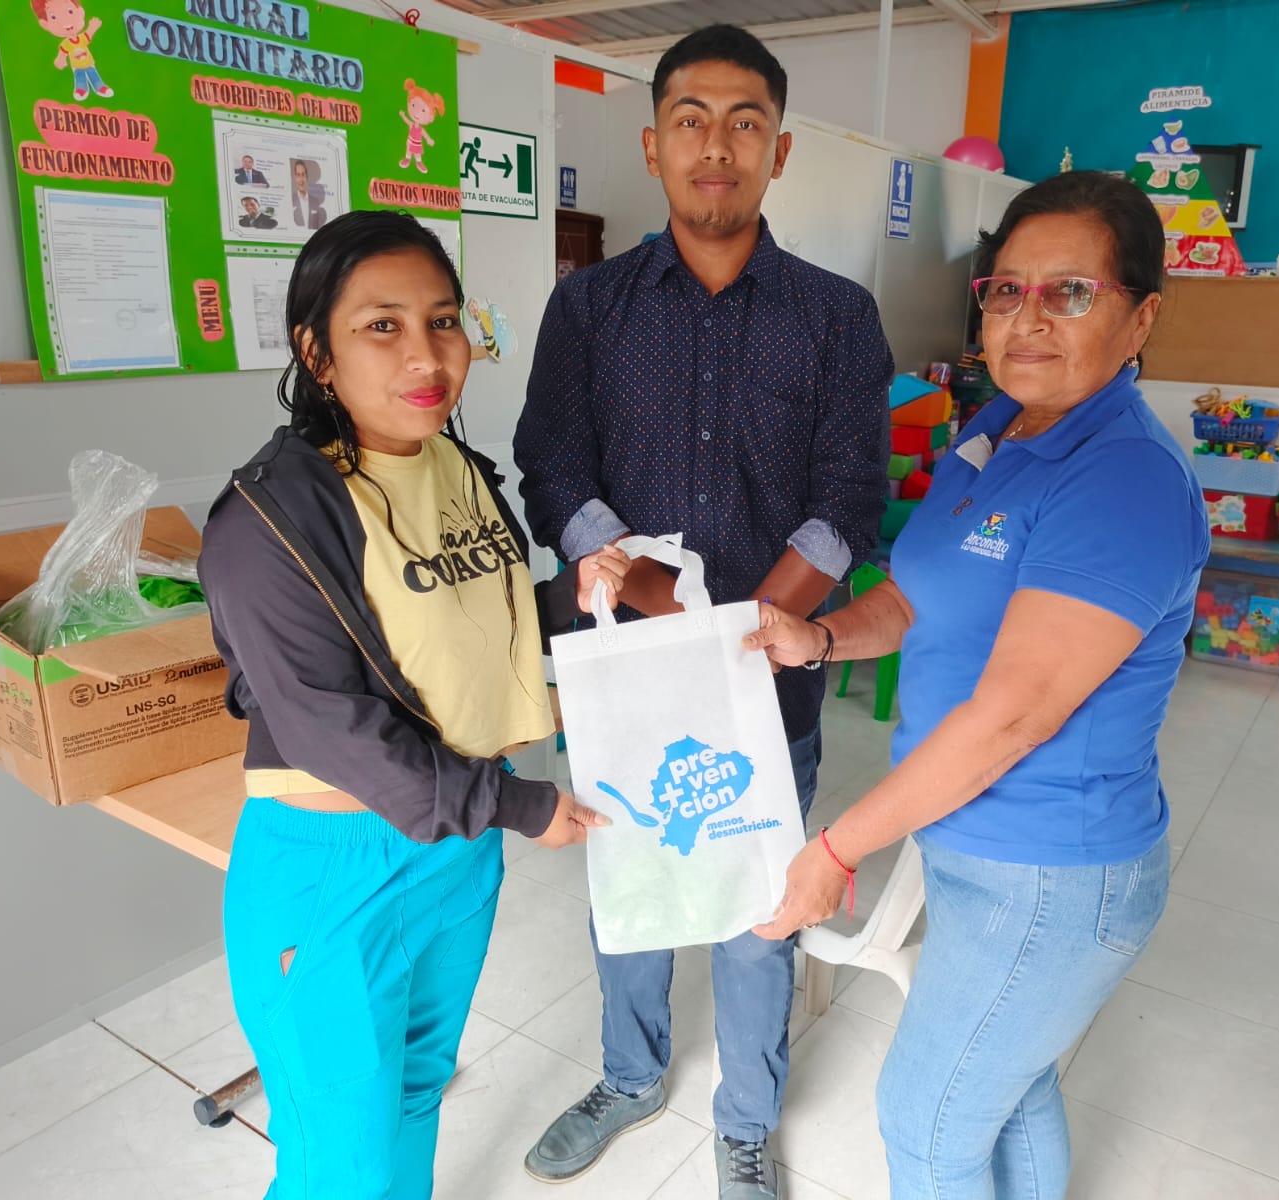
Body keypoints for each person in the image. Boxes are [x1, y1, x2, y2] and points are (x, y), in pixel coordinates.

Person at [744, 170, 1209, 1199]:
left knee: (926, 1121)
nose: (1028, 318)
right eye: (1006, 290)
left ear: (1141, 318)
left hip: (1049, 871)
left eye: (1070, 292)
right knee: (1011, 1090)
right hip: (973, 845)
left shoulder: (1123, 478)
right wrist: (816, 638)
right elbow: (914, 598)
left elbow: (1012, 717)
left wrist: (834, 850)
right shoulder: (993, 431)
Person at [513, 24, 892, 1200]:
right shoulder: (589, 310)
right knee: (628, 880)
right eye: (690, 121)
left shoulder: (837, 316)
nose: (715, 146)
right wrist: (672, 610)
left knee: (759, 901)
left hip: (772, 674)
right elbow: (552, 469)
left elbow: (850, 497)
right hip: (627, 675)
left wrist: (744, 634)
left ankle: (746, 1120)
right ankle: (630, 1078)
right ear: (653, 145)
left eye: (743, 123)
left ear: (779, 150)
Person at [197, 210, 628, 1198]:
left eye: (443, 320)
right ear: (316, 351)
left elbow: (472, 625)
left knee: (417, 1090)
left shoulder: (456, 468)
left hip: (453, 851)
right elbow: (326, 724)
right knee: (338, 1157)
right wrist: (520, 804)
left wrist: (572, 594)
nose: (427, 355)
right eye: (381, 326)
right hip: (335, 872)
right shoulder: (267, 519)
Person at [290, 158, 328, 230]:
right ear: (295, 178)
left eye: (303, 174)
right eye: (298, 175)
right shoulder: (290, 200)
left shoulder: (315, 201)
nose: (301, 179)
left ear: (307, 177)